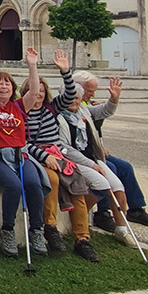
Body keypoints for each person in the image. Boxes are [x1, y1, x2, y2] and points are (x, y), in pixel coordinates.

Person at [21, 50, 100, 262]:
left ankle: (82, 239)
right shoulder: (21, 111)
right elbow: (23, 143)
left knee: (78, 187)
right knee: (52, 179)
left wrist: (65, 71)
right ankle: (51, 227)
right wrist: (44, 157)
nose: (37, 94)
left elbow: (70, 94)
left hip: (58, 154)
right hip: (37, 156)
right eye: (33, 90)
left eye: (40, 91)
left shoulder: (51, 109)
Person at [0, 48, 47, 258]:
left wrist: (32, 65)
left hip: (19, 156)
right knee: (13, 185)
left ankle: (37, 231)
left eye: (7, 83)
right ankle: (8, 230)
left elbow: (34, 92)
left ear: (12, 88)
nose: (3, 85)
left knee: (33, 184)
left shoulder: (19, 107)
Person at [72, 71, 148, 230]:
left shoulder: (86, 106)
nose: (93, 94)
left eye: (94, 90)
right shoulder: (72, 104)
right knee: (111, 169)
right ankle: (102, 213)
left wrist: (113, 99)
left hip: (95, 151)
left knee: (125, 167)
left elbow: (104, 114)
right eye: (90, 90)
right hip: (84, 155)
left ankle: (135, 209)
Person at [55, 76, 138, 247]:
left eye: (77, 98)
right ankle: (80, 216)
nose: (74, 101)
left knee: (118, 187)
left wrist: (114, 98)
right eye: (70, 97)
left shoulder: (83, 112)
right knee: (101, 184)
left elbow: (105, 111)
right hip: (73, 161)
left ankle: (121, 230)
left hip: (92, 159)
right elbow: (65, 148)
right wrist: (91, 164)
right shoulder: (57, 117)